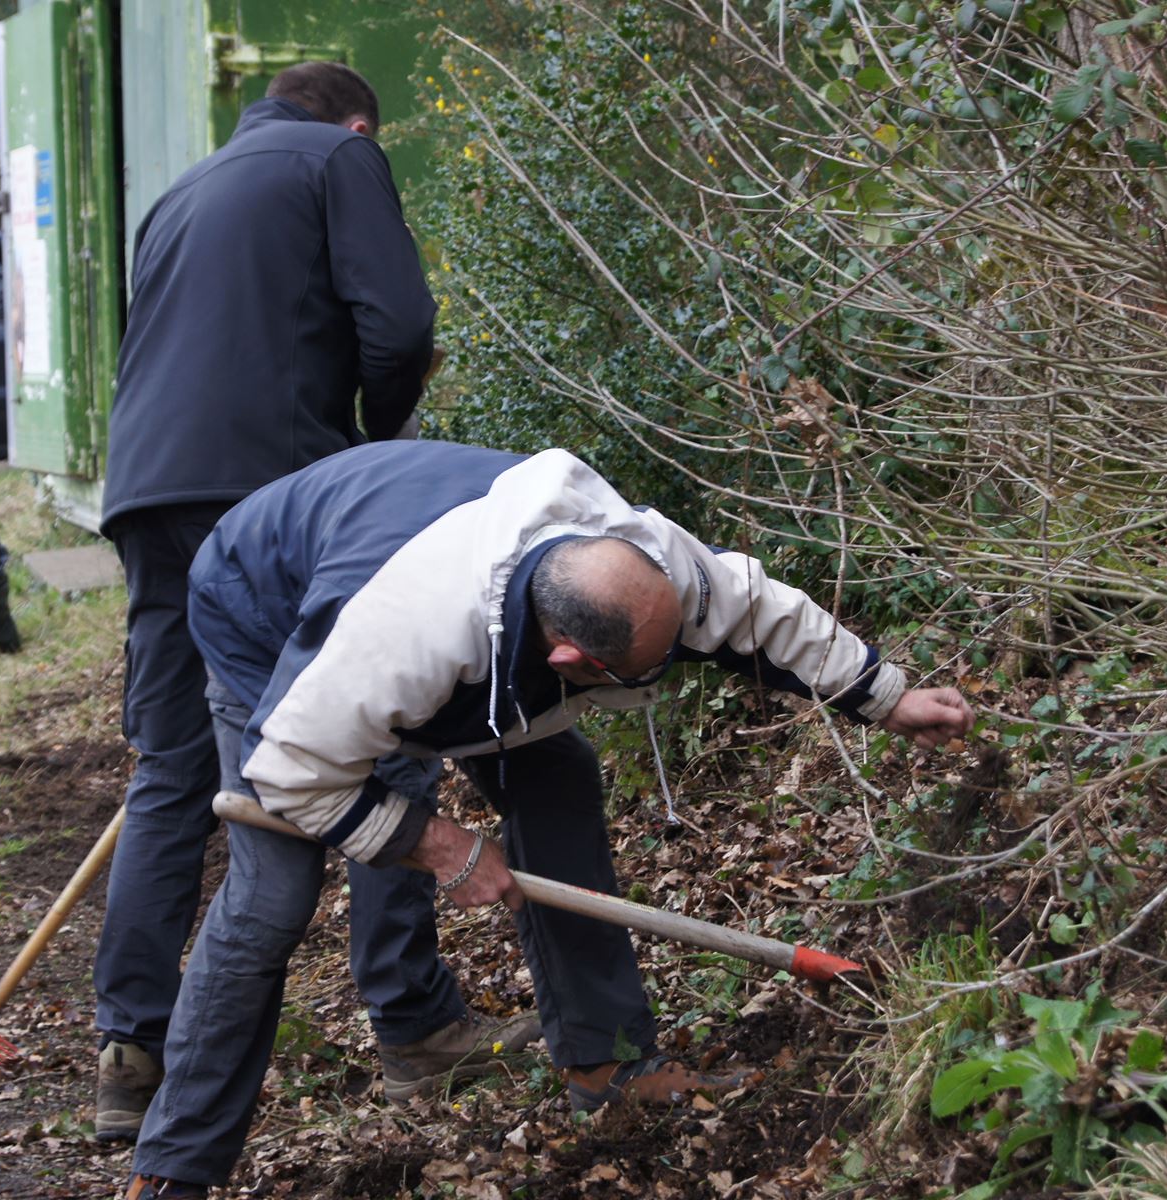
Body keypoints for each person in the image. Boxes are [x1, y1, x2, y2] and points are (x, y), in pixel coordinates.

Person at [122, 440, 975, 1196]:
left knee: (558, 782)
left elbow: (755, 611)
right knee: (275, 889)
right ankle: (173, 1166)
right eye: (639, 674)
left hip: (444, 589)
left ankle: (607, 1066)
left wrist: (885, 697)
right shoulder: (403, 634)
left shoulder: (644, 563)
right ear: (570, 658)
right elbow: (292, 770)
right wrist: (437, 843)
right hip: (264, 605)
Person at [93, 63, 535, 1145]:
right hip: (273, 494)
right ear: (354, 120)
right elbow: (398, 324)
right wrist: (373, 456)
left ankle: (130, 1051)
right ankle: (415, 1024)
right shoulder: (341, 156)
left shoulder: (182, 194)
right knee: (378, 737)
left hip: (147, 492)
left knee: (171, 770)